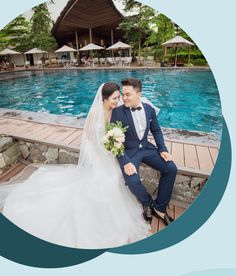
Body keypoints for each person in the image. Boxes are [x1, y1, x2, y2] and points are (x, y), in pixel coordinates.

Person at [1, 83, 150, 249]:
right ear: (105, 98)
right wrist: (107, 148)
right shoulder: (95, 113)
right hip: (98, 153)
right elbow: (90, 137)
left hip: (109, 152)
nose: (118, 101)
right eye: (115, 98)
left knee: (115, 176)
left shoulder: (116, 111)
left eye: (118, 97)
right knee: (108, 179)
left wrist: (115, 145)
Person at [111, 78, 177, 225]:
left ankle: (160, 208)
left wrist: (163, 149)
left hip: (147, 148)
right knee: (132, 180)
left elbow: (156, 131)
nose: (124, 98)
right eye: (123, 94)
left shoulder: (149, 109)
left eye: (128, 94)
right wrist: (125, 161)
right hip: (130, 151)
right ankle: (147, 203)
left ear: (139, 94)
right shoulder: (117, 113)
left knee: (171, 168)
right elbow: (114, 141)